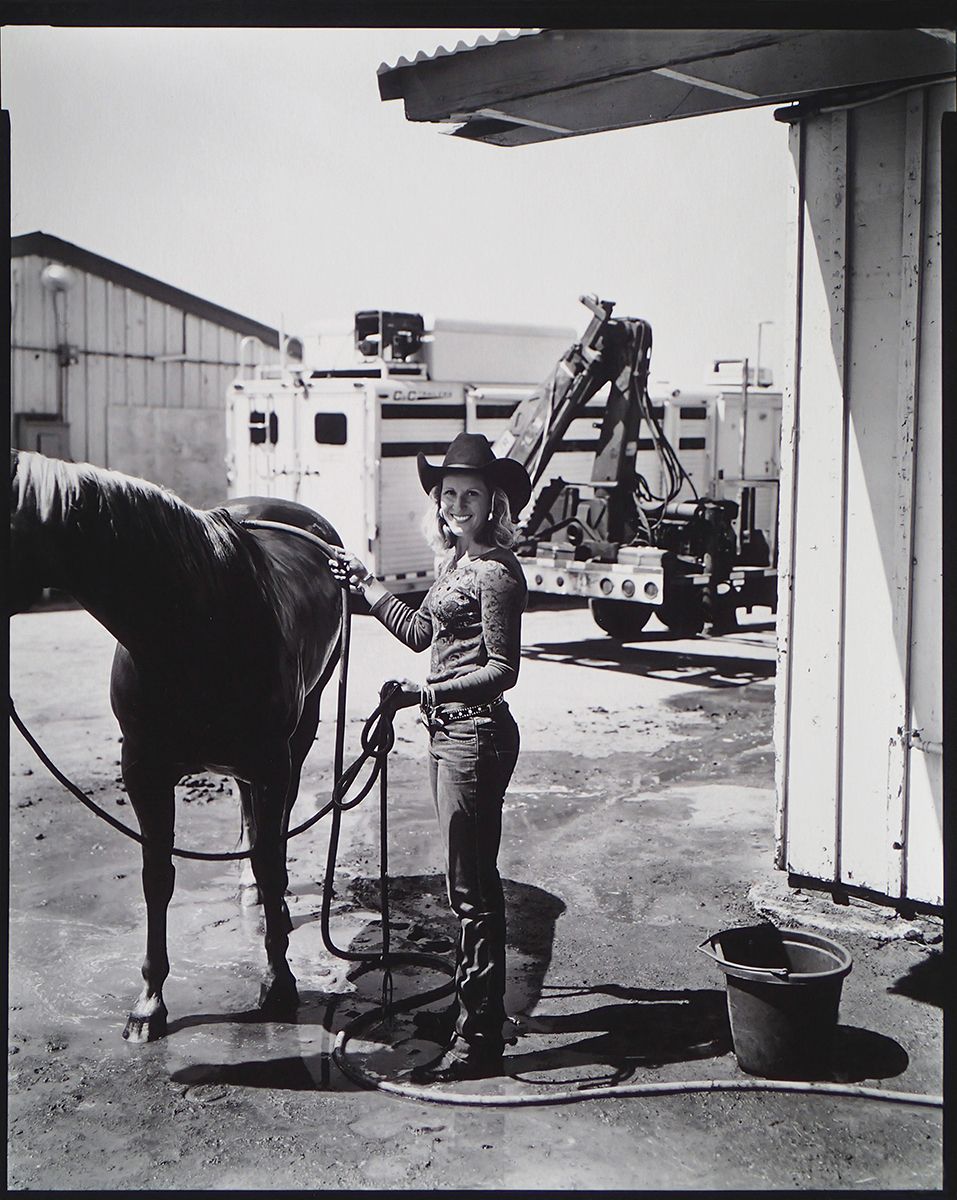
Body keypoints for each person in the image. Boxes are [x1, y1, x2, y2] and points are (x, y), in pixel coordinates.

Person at [328, 432, 532, 1083]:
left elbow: (503, 671)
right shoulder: (453, 565)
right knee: (461, 887)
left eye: (471, 494)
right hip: (447, 734)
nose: (457, 504)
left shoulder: (498, 571)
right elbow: (421, 634)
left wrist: (426, 690)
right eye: (449, 493)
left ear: (493, 501)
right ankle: (474, 1008)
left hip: (477, 737)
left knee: (474, 894)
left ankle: (481, 1035)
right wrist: (367, 587)